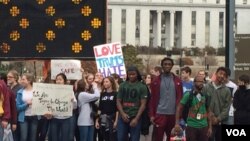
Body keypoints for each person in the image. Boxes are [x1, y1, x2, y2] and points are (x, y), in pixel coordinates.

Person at [149, 57, 183, 141]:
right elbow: (152, 99)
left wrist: (179, 117)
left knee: (172, 138)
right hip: (159, 114)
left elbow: (180, 100)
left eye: (169, 64)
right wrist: (152, 115)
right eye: (165, 64)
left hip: (173, 115)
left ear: (172, 66)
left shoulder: (178, 81)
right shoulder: (155, 81)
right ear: (162, 66)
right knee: (157, 138)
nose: (167, 66)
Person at [174, 75, 212, 141]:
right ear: (194, 83)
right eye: (199, 81)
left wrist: (210, 127)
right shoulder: (188, 95)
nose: (201, 83)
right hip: (191, 127)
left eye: (202, 81)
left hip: (204, 127)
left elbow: (209, 112)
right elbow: (179, 108)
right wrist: (177, 123)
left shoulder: (206, 95)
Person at [116, 66, 148, 141]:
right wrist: (123, 114)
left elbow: (143, 104)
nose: (131, 76)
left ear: (137, 74)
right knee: (120, 138)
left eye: (133, 74)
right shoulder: (122, 85)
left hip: (135, 116)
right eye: (129, 74)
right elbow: (118, 101)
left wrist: (136, 118)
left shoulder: (142, 87)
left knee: (134, 139)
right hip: (123, 117)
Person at [202, 67, 231, 141]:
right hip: (207, 122)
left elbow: (226, 108)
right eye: (220, 73)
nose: (222, 76)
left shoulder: (227, 91)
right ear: (216, 74)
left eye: (224, 75)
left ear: (226, 78)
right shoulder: (206, 87)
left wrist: (218, 119)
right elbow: (202, 103)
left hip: (221, 122)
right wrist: (209, 116)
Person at [49, 73, 77, 141]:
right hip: (54, 118)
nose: (58, 81)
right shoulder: (51, 90)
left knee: (65, 138)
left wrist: (73, 101)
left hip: (66, 119)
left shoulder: (69, 91)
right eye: (57, 79)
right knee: (54, 138)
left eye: (60, 79)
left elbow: (75, 107)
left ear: (64, 81)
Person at [16, 73, 38, 141]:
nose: (21, 81)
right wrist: (27, 104)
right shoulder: (20, 92)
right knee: (23, 137)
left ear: (29, 80)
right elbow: (18, 107)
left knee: (33, 138)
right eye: (21, 79)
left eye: (23, 79)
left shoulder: (37, 91)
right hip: (23, 118)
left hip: (35, 117)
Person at [95, 76, 118, 141]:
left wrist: (116, 121)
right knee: (103, 137)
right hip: (103, 120)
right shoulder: (102, 94)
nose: (105, 83)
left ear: (111, 83)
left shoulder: (116, 94)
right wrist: (97, 120)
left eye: (107, 81)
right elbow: (100, 108)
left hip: (111, 120)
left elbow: (117, 109)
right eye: (104, 82)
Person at [7, 70, 23, 141]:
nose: (8, 78)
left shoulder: (20, 88)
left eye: (10, 77)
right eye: (7, 77)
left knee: (16, 137)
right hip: (9, 117)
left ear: (15, 78)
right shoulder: (8, 88)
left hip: (18, 117)